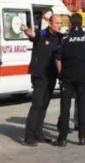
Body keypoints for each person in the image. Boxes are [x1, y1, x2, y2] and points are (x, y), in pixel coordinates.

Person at [56, 14, 85, 147]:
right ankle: (82, 137)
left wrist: (61, 73)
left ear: (71, 24)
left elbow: (58, 59)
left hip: (67, 77)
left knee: (65, 107)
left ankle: (62, 138)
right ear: (81, 23)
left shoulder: (65, 38)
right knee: (82, 106)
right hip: (83, 77)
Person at [23, 13, 63, 146]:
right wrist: (25, 29)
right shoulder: (42, 34)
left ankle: (38, 133)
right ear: (50, 23)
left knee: (44, 105)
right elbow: (32, 34)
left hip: (51, 76)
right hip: (39, 75)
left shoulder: (58, 37)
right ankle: (29, 136)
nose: (59, 25)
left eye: (60, 23)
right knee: (36, 105)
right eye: (57, 23)